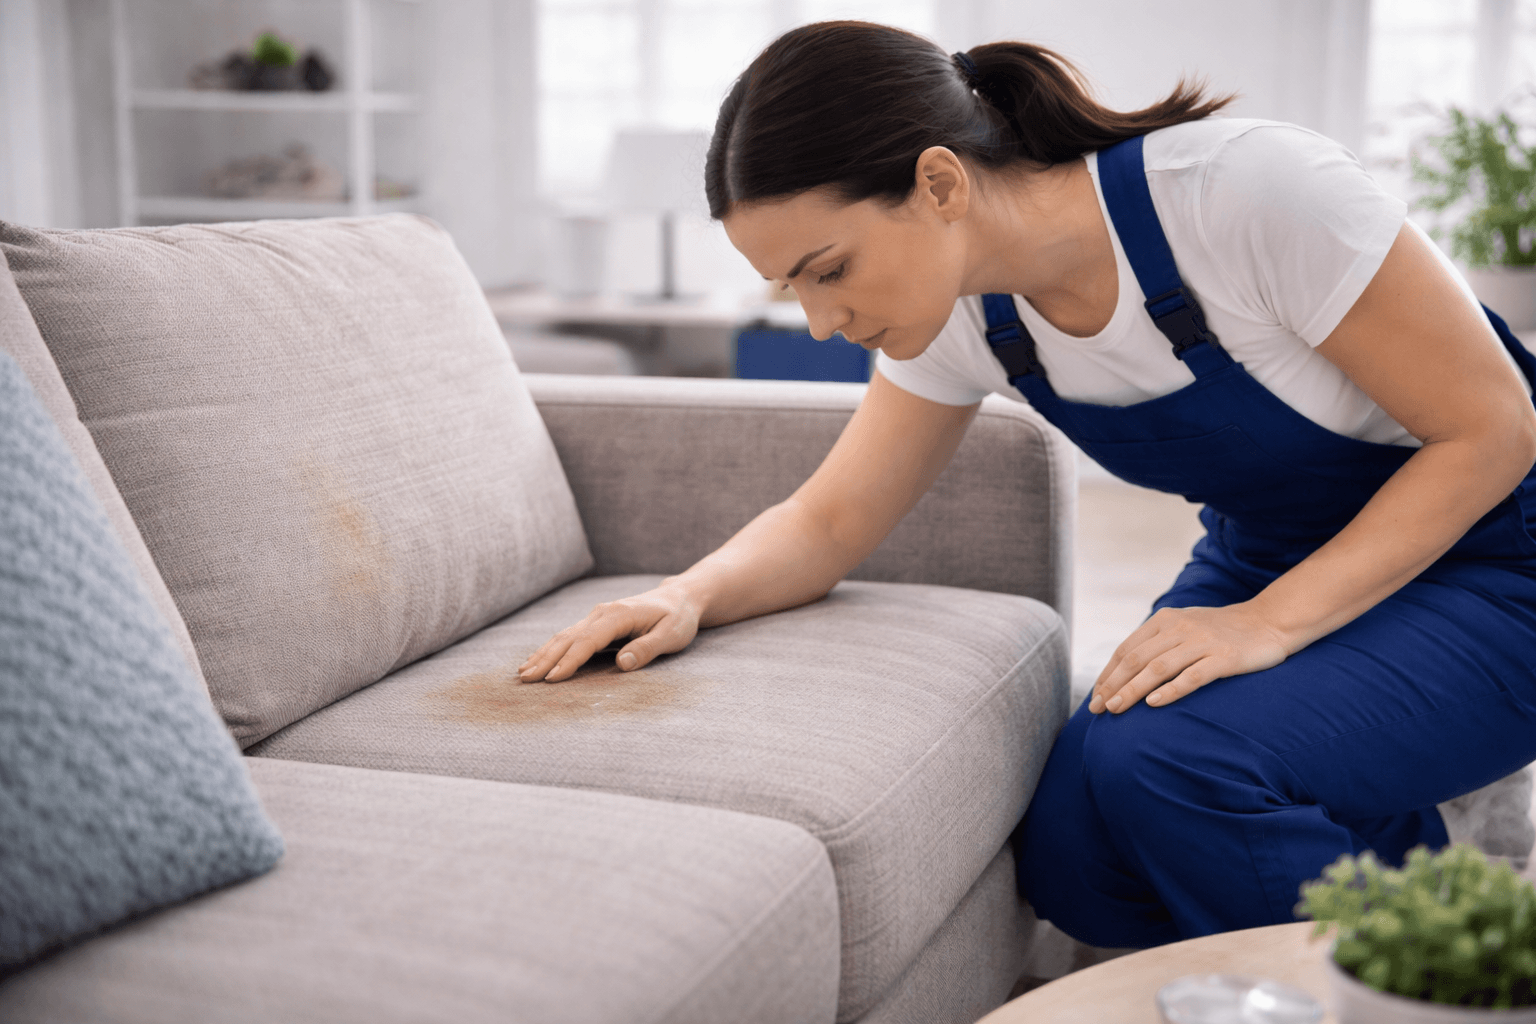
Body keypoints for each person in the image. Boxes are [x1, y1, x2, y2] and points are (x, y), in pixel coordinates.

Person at [519, 20, 1536, 948]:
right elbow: (830, 518)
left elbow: (1494, 429)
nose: (821, 322)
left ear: (940, 185)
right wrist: (681, 593)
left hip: (1497, 556)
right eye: (792, 288)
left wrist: (1266, 623)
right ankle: (1419, 845)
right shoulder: (964, 311)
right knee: (1072, 856)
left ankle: (1415, 979)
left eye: (829, 269)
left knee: (1172, 765)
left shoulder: (1246, 192)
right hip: (1275, 551)